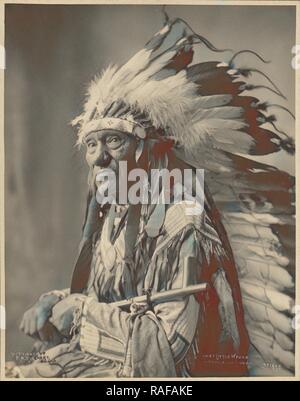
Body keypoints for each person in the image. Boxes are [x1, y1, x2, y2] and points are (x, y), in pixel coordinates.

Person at [8, 12, 295, 378]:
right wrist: (55, 304)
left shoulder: (181, 219)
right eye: (91, 144)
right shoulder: (112, 218)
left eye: (114, 140)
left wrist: (81, 313)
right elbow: (118, 305)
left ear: (149, 151)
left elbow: (171, 345)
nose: (100, 158)